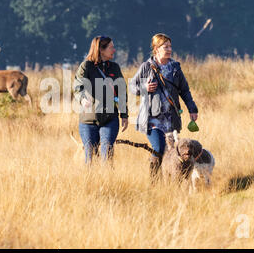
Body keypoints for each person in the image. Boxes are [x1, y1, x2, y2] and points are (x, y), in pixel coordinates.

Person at [129, 33, 198, 182]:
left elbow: (184, 90)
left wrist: (192, 108)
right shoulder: (146, 66)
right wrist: (144, 87)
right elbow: (132, 87)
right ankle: (154, 181)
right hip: (152, 119)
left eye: (170, 46)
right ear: (156, 49)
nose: (169, 49)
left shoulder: (175, 67)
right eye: (165, 46)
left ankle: (172, 182)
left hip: (171, 119)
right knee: (159, 148)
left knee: (172, 152)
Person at [74, 36, 129, 164]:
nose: (114, 50)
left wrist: (124, 114)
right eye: (111, 47)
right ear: (101, 50)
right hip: (88, 120)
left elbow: (121, 91)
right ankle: (90, 182)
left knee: (107, 155)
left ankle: (108, 182)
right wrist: (82, 99)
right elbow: (78, 86)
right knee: (90, 157)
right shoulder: (86, 66)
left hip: (110, 119)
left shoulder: (114, 68)